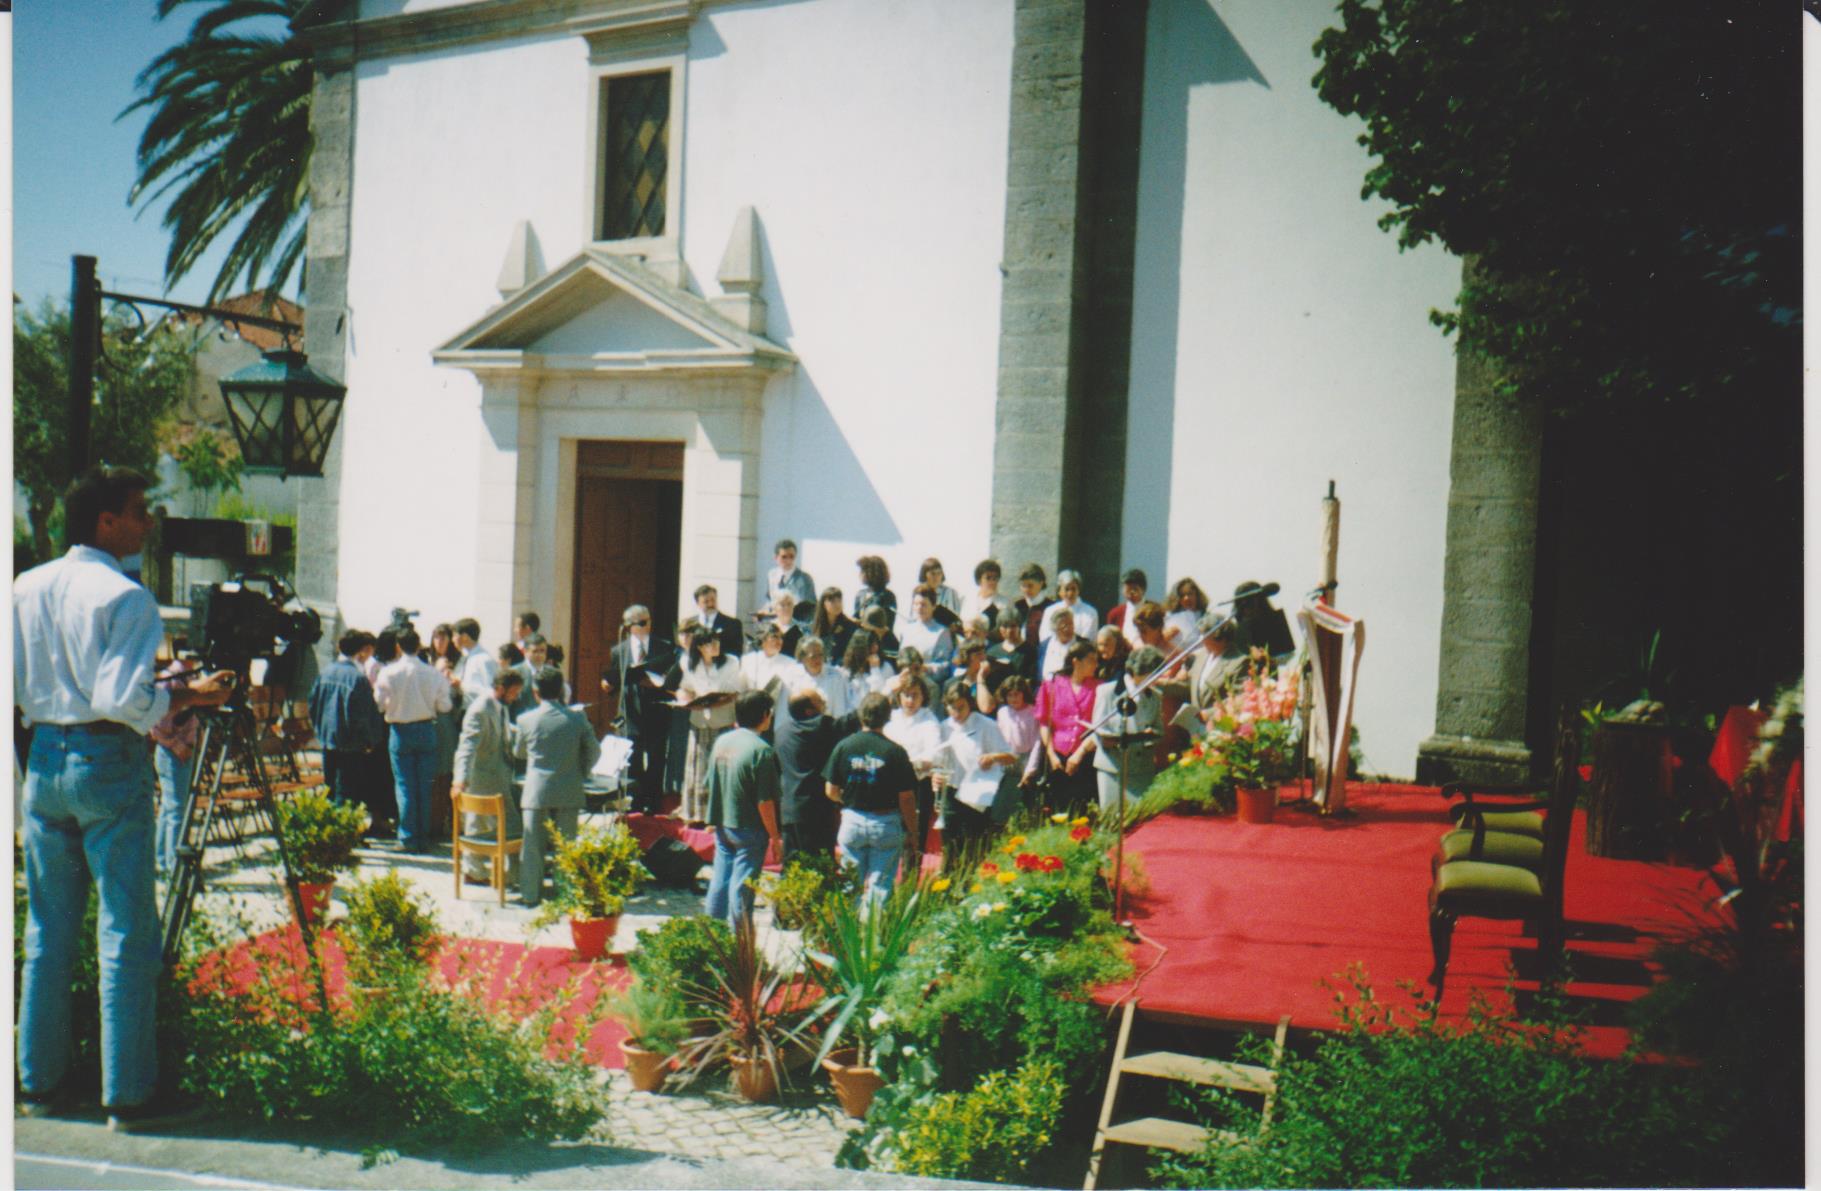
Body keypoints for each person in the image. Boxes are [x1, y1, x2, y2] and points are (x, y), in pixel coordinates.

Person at [15, 465, 233, 1127]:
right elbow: (120, 698)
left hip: (43, 753)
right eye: (138, 511)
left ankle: (38, 1084)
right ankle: (128, 1092)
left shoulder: (25, 586)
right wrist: (191, 693)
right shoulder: (125, 595)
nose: (146, 524)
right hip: (106, 755)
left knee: (48, 931)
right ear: (106, 521)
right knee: (125, 929)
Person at [513, 666, 602, 907]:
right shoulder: (577, 719)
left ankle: (530, 895)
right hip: (569, 786)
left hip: (537, 789)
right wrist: (580, 771)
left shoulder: (525, 720)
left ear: (535, 691)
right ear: (561, 690)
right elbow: (594, 751)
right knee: (566, 845)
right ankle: (565, 894)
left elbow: (519, 752)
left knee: (532, 846)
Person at [824, 693, 918, 903]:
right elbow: (907, 798)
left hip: (852, 819)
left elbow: (830, 790)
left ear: (860, 715)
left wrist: (849, 800)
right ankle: (874, 924)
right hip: (885, 823)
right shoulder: (895, 752)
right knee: (880, 888)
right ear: (887, 717)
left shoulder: (844, 746)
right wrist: (912, 831)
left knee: (850, 886)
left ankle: (850, 923)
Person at [703, 690, 784, 927]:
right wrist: (775, 837)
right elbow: (765, 802)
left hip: (723, 823)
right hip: (750, 828)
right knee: (742, 890)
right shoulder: (762, 750)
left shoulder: (722, 741)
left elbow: (709, 783)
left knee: (720, 882)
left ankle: (711, 935)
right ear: (765, 715)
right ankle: (739, 943)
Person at [373, 627, 454, 853]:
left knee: (405, 785)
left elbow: (379, 705)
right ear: (419, 647)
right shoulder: (433, 674)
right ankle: (423, 837)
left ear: (398, 647)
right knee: (425, 786)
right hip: (426, 728)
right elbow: (445, 705)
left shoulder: (388, 673)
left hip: (400, 731)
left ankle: (408, 837)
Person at [308, 630, 388, 836]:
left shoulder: (325, 672)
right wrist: (370, 741)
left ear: (339, 647)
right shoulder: (357, 678)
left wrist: (320, 730)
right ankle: (344, 835)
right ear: (360, 651)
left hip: (327, 739)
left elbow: (313, 704)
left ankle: (330, 833)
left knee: (331, 787)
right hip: (351, 743)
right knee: (348, 791)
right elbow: (363, 715)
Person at [772, 683, 859, 864]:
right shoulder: (820, 726)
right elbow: (849, 722)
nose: (824, 704)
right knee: (819, 867)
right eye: (820, 702)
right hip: (815, 813)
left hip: (789, 810)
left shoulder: (781, 732)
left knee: (793, 867)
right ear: (809, 711)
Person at [935, 678, 1018, 869]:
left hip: (976, 794)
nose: (957, 713)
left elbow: (1011, 756)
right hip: (951, 792)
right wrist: (936, 775)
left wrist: (992, 757)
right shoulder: (944, 727)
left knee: (975, 847)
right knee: (950, 847)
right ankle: (950, 881)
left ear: (969, 704)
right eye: (952, 708)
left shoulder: (986, 725)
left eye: (961, 708)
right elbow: (938, 760)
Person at [452, 669, 525, 883]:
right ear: (500, 689)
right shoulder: (480, 709)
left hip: (499, 775)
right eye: (513, 692)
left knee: (480, 824)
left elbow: (502, 730)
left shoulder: (500, 706)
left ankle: (476, 870)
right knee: (500, 824)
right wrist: (459, 780)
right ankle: (483, 871)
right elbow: (467, 747)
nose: (516, 697)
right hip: (483, 777)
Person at [603, 605, 676, 815]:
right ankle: (635, 803)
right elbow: (615, 679)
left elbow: (672, 677)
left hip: (656, 711)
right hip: (630, 713)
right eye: (642, 622)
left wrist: (660, 684)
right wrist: (608, 685)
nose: (647, 625)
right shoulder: (619, 650)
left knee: (656, 759)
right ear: (629, 626)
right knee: (632, 760)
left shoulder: (664, 647)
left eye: (648, 620)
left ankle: (653, 804)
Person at [1087, 645, 1166, 816]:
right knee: (1112, 819)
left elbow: (1159, 730)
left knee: (1139, 820)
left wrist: (1150, 736)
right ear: (1141, 671)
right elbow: (1099, 729)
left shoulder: (1155, 696)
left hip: (1141, 768)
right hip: (1113, 767)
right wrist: (1112, 738)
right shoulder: (1107, 692)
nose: (1158, 678)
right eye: (1155, 673)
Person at [675, 629, 741, 824]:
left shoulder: (731, 662)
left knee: (721, 768)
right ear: (699, 647)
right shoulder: (690, 664)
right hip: (699, 722)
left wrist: (714, 702)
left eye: (717, 641)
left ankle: (719, 817)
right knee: (699, 768)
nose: (715, 646)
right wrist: (684, 698)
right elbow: (684, 687)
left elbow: (735, 692)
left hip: (722, 721)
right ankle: (697, 814)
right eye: (710, 643)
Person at [150, 658, 204, 875]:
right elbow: (156, 726)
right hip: (171, 752)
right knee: (177, 811)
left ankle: (162, 859)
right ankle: (175, 867)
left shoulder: (192, 677)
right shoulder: (169, 679)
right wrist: (178, 746)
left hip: (185, 751)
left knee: (170, 808)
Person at [1036, 639, 1101, 816]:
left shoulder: (1099, 688)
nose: (1096, 665)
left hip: (1086, 755)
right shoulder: (1052, 685)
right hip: (1057, 756)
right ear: (1076, 662)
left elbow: (1100, 726)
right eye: (1091, 660)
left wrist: (1080, 753)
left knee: (1082, 809)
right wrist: (1051, 754)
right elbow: (1044, 722)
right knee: (1057, 808)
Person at [885, 674, 943, 860]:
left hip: (918, 784)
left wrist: (912, 763)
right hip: (891, 784)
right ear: (899, 696)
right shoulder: (891, 717)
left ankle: (911, 873)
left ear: (923, 696)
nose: (910, 700)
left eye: (915, 695)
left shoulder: (929, 719)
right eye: (906, 695)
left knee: (915, 835)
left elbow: (935, 754)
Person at [783, 635, 851, 720]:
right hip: (798, 726)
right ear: (803, 658)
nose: (818, 659)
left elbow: (840, 711)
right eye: (813, 656)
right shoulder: (791, 675)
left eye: (820, 655)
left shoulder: (836, 676)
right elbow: (784, 711)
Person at [897, 586, 956, 682]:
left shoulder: (942, 632)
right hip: (906, 680)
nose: (919, 608)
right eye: (916, 604)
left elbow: (946, 666)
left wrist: (925, 668)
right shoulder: (905, 630)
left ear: (933, 606)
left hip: (928, 682)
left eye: (923, 604)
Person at [1232, 581, 1297, 661]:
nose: (1250, 609)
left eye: (1252, 603)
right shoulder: (1242, 633)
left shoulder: (1276, 623)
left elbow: (1287, 656)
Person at [739, 622, 797, 700]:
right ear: (762, 640)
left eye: (781, 637)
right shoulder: (748, 660)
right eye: (774, 637)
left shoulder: (791, 663)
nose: (779, 641)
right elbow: (741, 689)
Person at [1040, 569, 1098, 643]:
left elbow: (1088, 638)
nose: (1070, 593)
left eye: (1073, 589)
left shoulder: (1090, 613)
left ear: (1078, 590)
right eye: (1066, 589)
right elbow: (1045, 636)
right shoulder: (1050, 611)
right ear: (1059, 591)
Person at [453, 618, 498, 710]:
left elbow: (492, 690)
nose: (452, 639)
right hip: (463, 709)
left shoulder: (484, 659)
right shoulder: (465, 658)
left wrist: (462, 685)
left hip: (479, 711)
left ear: (465, 637)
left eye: (454, 635)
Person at [842, 631, 896, 708]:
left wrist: (875, 669)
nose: (876, 648)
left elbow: (878, 695)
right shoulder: (847, 671)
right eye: (871, 645)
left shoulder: (886, 667)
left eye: (876, 644)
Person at [767, 538, 817, 616]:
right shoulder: (772, 575)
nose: (788, 560)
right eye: (784, 557)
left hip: (797, 620)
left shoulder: (804, 579)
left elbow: (811, 607)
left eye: (791, 556)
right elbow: (771, 600)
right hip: (776, 620)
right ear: (776, 558)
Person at [693, 584, 745, 658]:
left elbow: (737, 652)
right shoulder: (690, 624)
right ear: (697, 603)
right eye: (706, 601)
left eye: (713, 600)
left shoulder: (733, 624)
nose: (710, 604)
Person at [1163, 577, 1210, 658]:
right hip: (1178, 658)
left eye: (1190, 594)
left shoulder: (1207, 617)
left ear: (1197, 595)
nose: (1186, 598)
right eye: (1182, 595)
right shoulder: (1169, 618)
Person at [810, 586, 859, 665]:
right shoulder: (815, 627)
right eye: (832, 601)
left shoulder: (850, 625)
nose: (837, 604)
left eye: (839, 600)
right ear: (824, 604)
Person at [1011, 563, 1054, 648]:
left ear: (1041, 583)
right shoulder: (1018, 606)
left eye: (1030, 586)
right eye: (1023, 586)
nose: (1026, 590)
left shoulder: (1051, 607)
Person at [960, 559, 1009, 631]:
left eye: (995, 578)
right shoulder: (969, 600)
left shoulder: (1005, 603)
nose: (992, 582)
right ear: (979, 580)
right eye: (988, 578)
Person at [1107, 568, 1149, 650]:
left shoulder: (1153, 611)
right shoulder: (1115, 613)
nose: (1131, 593)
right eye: (1127, 589)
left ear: (1143, 590)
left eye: (1135, 589)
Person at [1036, 604, 1079, 681]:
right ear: (1055, 628)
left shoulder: (1082, 644)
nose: (1068, 628)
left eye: (1071, 624)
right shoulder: (1044, 646)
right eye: (1064, 625)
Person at [916, 558, 963, 625]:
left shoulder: (950, 592)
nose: (936, 577)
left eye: (939, 573)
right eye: (933, 574)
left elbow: (955, 620)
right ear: (924, 574)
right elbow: (913, 617)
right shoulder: (918, 593)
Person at [853, 555, 896, 623]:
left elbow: (888, 623)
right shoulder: (860, 594)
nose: (860, 574)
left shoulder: (887, 596)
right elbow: (855, 617)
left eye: (863, 571)